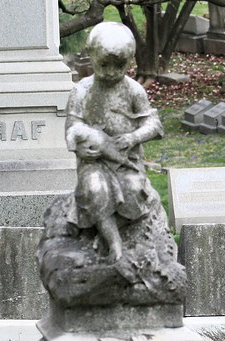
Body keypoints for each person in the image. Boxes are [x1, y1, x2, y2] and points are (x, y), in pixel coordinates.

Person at [65, 22, 163, 263]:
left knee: (132, 191)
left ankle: (115, 235)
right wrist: (79, 144)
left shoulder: (134, 90)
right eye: (103, 65)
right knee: (95, 191)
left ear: (130, 61)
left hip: (127, 161)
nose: (110, 72)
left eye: (118, 66)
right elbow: (72, 125)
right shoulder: (82, 91)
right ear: (92, 57)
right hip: (94, 162)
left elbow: (153, 125)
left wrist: (133, 137)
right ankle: (114, 244)